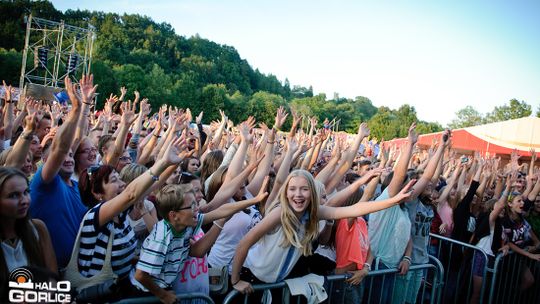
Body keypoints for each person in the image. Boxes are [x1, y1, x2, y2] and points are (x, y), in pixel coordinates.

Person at [230, 169, 415, 298]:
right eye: (292, 189)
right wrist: (236, 280)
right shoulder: (280, 213)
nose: (298, 194)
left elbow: (355, 209)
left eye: (304, 189)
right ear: (286, 193)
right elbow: (245, 242)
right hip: (249, 277)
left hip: (271, 283)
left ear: (312, 193)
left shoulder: (316, 213)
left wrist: (393, 200)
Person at [132, 181, 269, 304]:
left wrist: (254, 201)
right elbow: (140, 275)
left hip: (163, 287)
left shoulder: (184, 224)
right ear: (174, 216)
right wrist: (162, 295)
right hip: (149, 291)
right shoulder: (162, 239)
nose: (196, 208)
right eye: (190, 206)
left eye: (195, 204)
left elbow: (220, 212)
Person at [30, 76, 95, 269]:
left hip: (76, 269)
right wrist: (75, 109)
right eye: (61, 157)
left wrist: (85, 104)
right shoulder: (45, 183)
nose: (67, 158)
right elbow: (61, 148)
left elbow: (77, 137)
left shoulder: (76, 186)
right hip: (47, 273)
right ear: (44, 161)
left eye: (70, 155)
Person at [0, 167, 57, 301]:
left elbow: (53, 280)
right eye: (13, 195)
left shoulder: (38, 228)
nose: (24, 200)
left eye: (26, 192)